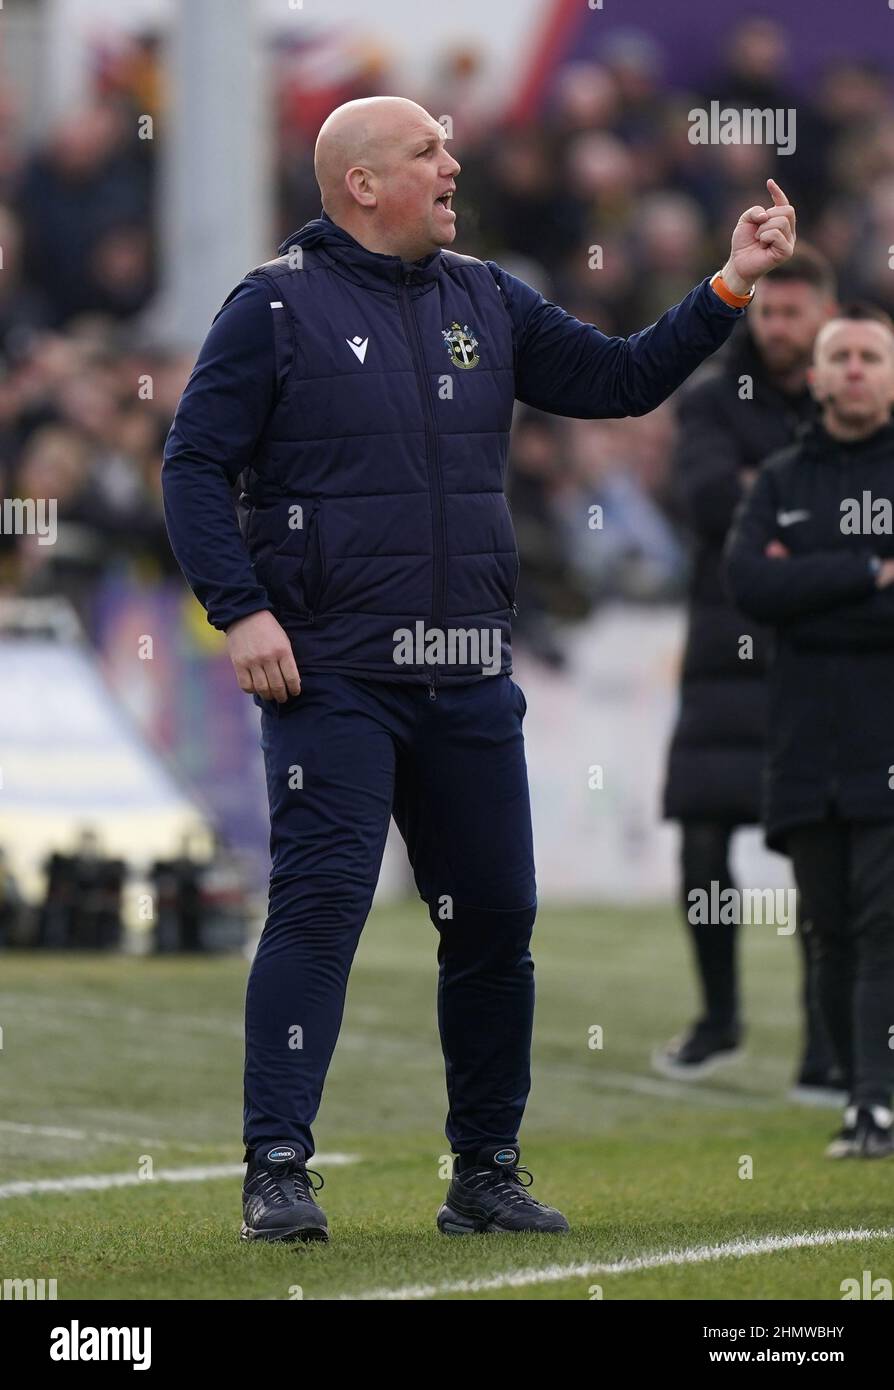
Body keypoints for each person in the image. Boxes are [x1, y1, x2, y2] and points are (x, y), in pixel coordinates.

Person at [162, 95, 796, 1242]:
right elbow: (193, 464)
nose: (454, 164)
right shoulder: (272, 306)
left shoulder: (486, 296)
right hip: (333, 672)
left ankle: (486, 1172)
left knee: (498, 917)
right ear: (362, 182)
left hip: (467, 669)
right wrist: (242, 611)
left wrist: (729, 286)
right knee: (320, 911)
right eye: (428, 151)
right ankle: (276, 1166)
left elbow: (620, 380)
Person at [658, 247, 842, 1098]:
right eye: (766, 311)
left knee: (822, 848)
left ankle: (825, 1040)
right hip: (722, 644)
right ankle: (718, 1015)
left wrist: (769, 506)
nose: (775, 326)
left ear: (825, 315)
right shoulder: (709, 396)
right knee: (702, 840)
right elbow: (706, 504)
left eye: (792, 312)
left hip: (822, 646)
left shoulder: (856, 398)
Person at [725, 305, 894, 1158]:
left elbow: (785, 594)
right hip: (804, 745)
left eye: (871, 356)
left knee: (880, 923)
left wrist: (811, 591)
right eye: (843, 357)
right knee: (825, 928)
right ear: (819, 377)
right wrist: (868, 573)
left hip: (887, 743)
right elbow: (748, 584)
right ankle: (858, 1090)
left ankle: (874, 1105)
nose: (856, 369)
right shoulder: (783, 478)